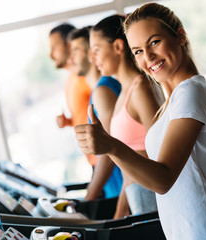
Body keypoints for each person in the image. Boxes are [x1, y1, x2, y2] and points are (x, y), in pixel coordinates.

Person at [75, 3, 206, 239]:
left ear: (180, 36)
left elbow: (163, 178)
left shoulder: (191, 91)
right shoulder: (173, 100)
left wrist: (111, 146)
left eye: (154, 42)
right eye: (137, 51)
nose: (148, 57)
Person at [89, 15, 165, 219]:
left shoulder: (141, 88)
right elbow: (130, 164)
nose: (93, 58)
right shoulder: (125, 90)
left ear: (118, 47)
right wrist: (121, 209)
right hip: (136, 196)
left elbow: (159, 153)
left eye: (96, 50)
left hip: (151, 196)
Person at [67, 26, 123, 200]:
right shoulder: (96, 91)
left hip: (123, 193)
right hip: (116, 191)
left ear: (91, 54)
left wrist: (89, 198)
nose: (71, 59)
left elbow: (109, 150)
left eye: (76, 51)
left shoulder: (103, 90)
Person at [49, 24, 96, 167]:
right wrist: (68, 121)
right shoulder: (70, 80)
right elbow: (88, 114)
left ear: (68, 45)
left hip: (106, 160)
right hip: (93, 160)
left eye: (54, 47)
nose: (51, 55)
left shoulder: (89, 76)